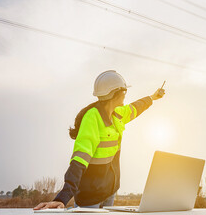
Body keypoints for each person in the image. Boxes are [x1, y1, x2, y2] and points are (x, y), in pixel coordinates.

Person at [34, 70, 165, 210]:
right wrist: (63, 198)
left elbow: (135, 108)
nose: (126, 95)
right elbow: (79, 159)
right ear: (117, 93)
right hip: (90, 195)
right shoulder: (92, 118)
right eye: (125, 92)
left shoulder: (118, 114)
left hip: (109, 191)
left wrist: (153, 97)